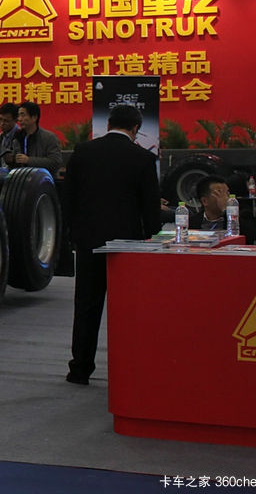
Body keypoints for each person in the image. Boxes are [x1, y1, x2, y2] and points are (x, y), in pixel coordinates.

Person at [63, 104, 160, 385]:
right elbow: (150, 209)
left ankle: (80, 369)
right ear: (135, 129)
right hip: (126, 246)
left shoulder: (83, 152)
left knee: (86, 306)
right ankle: (127, 370)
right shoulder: (143, 158)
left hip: (89, 242)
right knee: (126, 309)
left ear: (108, 125)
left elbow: (68, 198)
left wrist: (74, 234)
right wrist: (150, 235)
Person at [10, 100, 62, 177]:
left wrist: (29, 160)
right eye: (19, 116)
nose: (19, 119)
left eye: (23, 115)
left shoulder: (49, 137)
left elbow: (55, 162)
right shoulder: (18, 137)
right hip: (22, 179)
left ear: (34, 117)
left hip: (44, 180)